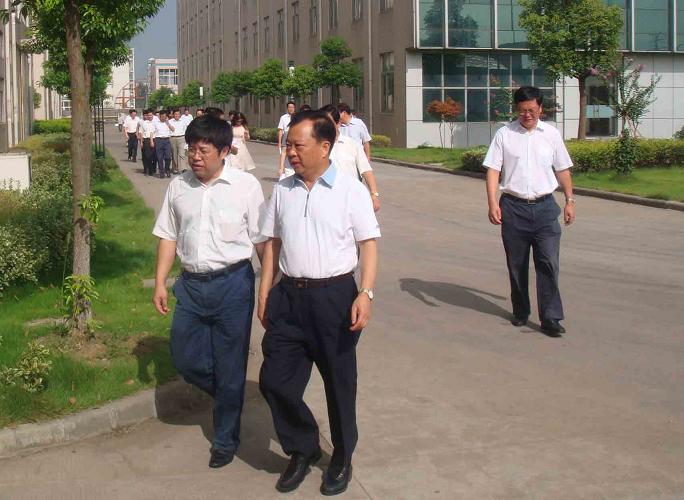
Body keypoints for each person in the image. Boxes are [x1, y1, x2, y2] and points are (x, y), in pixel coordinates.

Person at [258, 111, 380, 495]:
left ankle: (341, 456)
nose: (291, 152)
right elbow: (272, 243)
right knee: (274, 381)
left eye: (299, 145)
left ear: (324, 147)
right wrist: (264, 292)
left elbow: (368, 245)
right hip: (288, 298)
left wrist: (365, 293)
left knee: (339, 384)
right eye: (289, 145)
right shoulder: (283, 190)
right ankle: (303, 447)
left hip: (335, 298)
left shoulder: (350, 190)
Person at [152, 115, 267, 470]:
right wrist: (160, 281)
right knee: (185, 357)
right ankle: (230, 394)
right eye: (191, 149)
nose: (195, 156)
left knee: (231, 363)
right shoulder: (179, 186)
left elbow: (262, 241)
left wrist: (269, 288)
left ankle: (225, 440)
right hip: (191, 286)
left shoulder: (246, 186)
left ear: (224, 151)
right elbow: (168, 235)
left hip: (233, 285)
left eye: (203, 150)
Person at [483, 86, 576, 337]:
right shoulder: (504, 134)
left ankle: (551, 317)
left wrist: (569, 200)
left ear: (540, 109)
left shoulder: (551, 134)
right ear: (516, 109)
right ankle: (521, 310)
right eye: (522, 110)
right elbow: (493, 170)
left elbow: (563, 169)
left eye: (532, 110)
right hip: (513, 208)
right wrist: (492, 202)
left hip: (545, 208)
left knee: (548, 262)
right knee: (517, 264)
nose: (527, 115)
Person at [320, 104, 381, 212]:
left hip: (352, 199)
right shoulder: (316, 147)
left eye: (329, 123)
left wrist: (374, 194)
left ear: (338, 123)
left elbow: (366, 170)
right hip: (326, 200)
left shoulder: (352, 145)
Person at [276, 104, 312, 178]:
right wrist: (281, 168)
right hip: (290, 167)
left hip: (306, 167)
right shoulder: (288, 133)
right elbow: (284, 152)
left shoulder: (313, 133)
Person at [153, 110, 173, 178]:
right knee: (160, 158)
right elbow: (152, 132)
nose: (164, 118)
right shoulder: (156, 123)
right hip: (158, 140)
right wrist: (152, 141)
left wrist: (168, 123)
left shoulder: (168, 122)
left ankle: (167, 169)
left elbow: (173, 129)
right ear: (160, 116)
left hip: (166, 140)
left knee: (168, 157)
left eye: (165, 116)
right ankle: (161, 172)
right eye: (162, 116)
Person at [169, 109, 188, 174]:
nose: (177, 115)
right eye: (175, 114)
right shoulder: (170, 121)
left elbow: (185, 130)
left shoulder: (183, 121)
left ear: (180, 115)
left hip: (181, 138)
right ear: (173, 115)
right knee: (174, 154)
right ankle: (175, 168)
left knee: (182, 153)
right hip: (173, 138)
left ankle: (183, 168)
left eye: (178, 114)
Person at [138, 109, 157, 176]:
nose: (149, 116)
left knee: (155, 156)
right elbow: (141, 132)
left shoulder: (155, 122)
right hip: (146, 140)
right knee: (148, 156)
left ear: (153, 115)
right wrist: (141, 142)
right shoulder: (144, 123)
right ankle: (149, 170)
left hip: (154, 139)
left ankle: (153, 168)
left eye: (150, 115)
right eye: (148, 115)